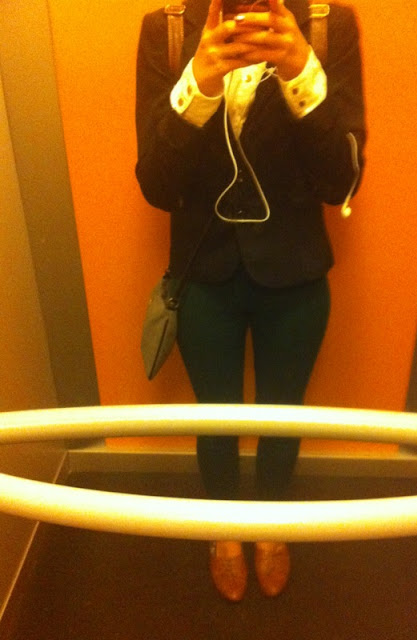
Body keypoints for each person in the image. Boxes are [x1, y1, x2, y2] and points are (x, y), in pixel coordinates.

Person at [135, 0, 366, 601]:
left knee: (283, 417)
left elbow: (343, 180)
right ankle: (224, 531)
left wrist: (301, 74)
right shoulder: (166, 31)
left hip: (295, 275)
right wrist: (199, 85)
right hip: (202, 273)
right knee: (214, 420)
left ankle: (270, 526)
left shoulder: (327, 26)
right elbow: (156, 184)